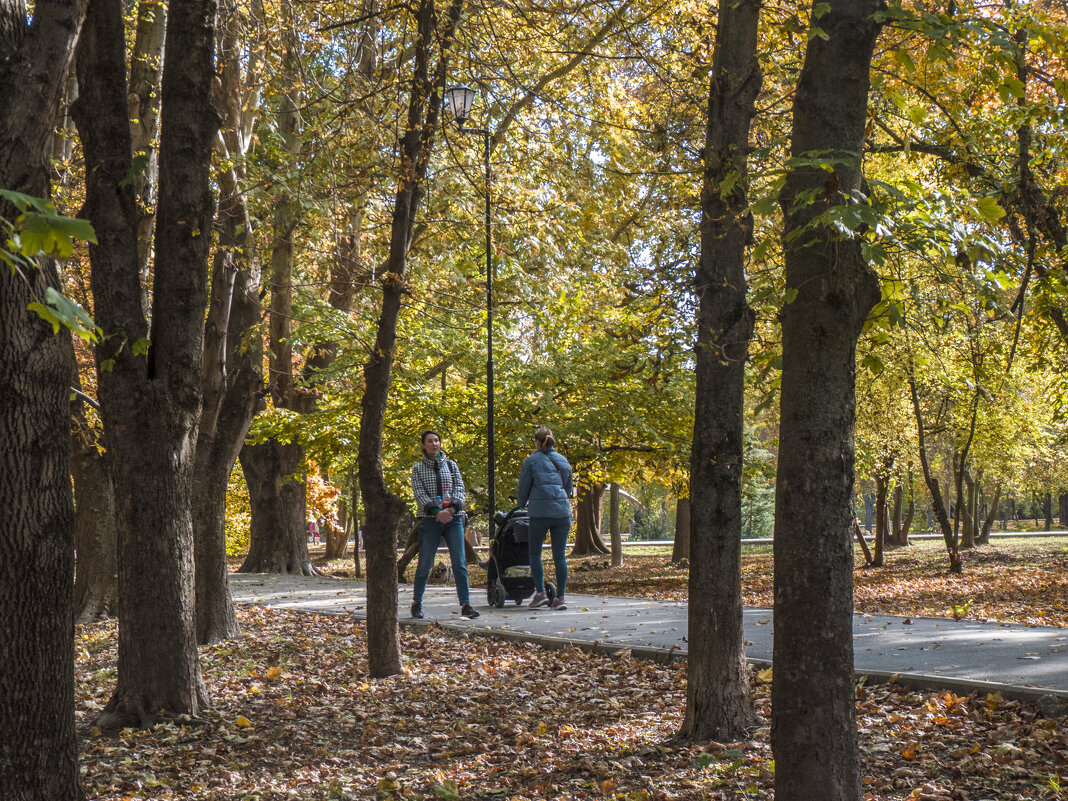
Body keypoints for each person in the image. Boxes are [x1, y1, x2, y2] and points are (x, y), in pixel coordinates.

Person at [410, 430, 480, 619]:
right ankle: (417, 603)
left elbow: (460, 489)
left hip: (453, 519)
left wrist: (451, 510)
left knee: (459, 562)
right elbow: (419, 493)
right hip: (430, 520)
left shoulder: (451, 465)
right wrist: (436, 511)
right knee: (425, 563)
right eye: (430, 441)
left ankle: (466, 605)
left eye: (437, 440)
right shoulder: (418, 468)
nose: (434, 444)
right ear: (423, 445)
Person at [517, 427, 574, 610]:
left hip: (540, 514)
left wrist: (521, 503)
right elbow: (568, 488)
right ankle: (561, 597)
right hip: (562, 513)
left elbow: (523, 487)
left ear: (537, 441)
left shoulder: (532, 461)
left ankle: (540, 592)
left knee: (534, 553)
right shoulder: (563, 460)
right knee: (560, 557)